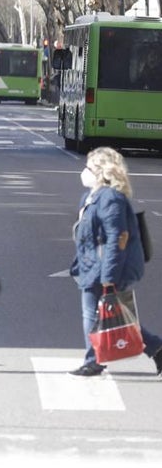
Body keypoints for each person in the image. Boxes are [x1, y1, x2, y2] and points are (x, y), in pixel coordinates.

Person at [67, 147, 162, 377]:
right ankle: (157, 348)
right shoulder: (91, 195)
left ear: (100, 172)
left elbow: (118, 238)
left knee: (92, 313)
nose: (84, 172)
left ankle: (94, 361)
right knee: (117, 317)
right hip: (94, 264)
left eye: (89, 168)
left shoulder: (111, 198)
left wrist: (108, 278)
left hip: (105, 267)